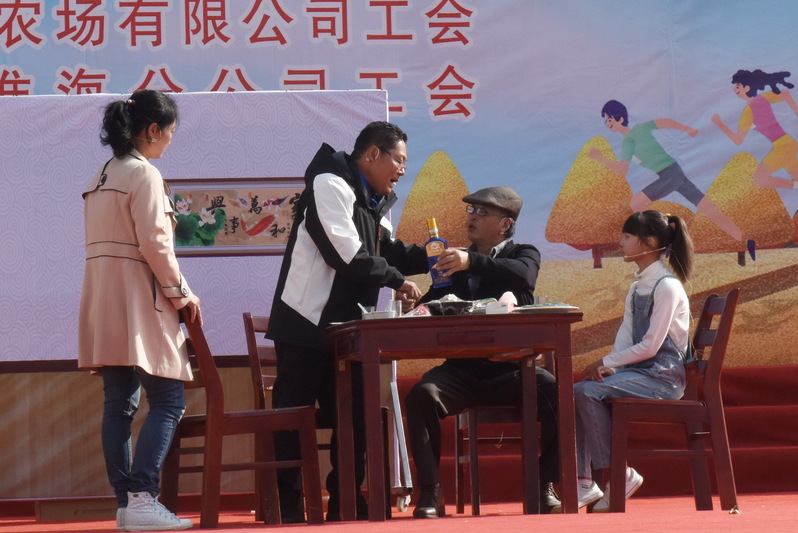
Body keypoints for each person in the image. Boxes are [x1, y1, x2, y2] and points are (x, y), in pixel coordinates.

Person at [266, 121, 429, 522]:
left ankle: (346, 502)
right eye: (399, 160)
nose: (403, 170)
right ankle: (287, 507)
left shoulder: (374, 198)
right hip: (306, 322)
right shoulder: (330, 182)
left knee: (355, 415)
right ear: (372, 154)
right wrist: (398, 281)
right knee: (291, 417)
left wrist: (434, 258)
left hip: (351, 332)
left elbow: (385, 250)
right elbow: (346, 254)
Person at [78, 90, 201, 532]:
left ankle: (126, 506)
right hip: (141, 298)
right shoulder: (145, 174)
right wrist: (183, 295)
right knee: (168, 399)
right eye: (169, 132)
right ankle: (142, 497)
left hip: (103, 298)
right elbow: (155, 244)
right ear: (152, 130)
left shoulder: (101, 173)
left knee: (119, 403)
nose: (169, 140)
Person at [403, 186, 561, 517]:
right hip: (461, 371)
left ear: (504, 224)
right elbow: (434, 299)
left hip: (512, 371)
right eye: (470, 211)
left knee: (557, 394)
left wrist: (470, 261)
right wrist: (413, 307)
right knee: (422, 394)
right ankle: (430, 493)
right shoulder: (455, 259)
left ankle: (545, 484)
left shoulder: (523, 253)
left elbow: (524, 276)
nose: (471, 218)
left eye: (481, 213)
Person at [562, 210, 694, 513]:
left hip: (663, 378)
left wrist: (606, 360)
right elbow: (625, 336)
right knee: (579, 390)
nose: (620, 243)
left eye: (626, 236)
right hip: (640, 373)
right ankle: (584, 480)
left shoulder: (667, 286)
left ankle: (619, 475)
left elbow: (651, 345)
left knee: (586, 391)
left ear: (649, 243)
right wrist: (609, 367)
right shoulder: (637, 287)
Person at [590, 100, 752, 258]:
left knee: (635, 203)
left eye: (609, 119)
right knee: (709, 209)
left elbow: (622, 170)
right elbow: (663, 122)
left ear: (620, 118)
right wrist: (687, 129)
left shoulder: (629, 140)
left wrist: (600, 158)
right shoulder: (639, 130)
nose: (607, 123)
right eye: (606, 120)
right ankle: (744, 240)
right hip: (674, 172)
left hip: (670, 175)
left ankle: (667, 237)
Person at [712, 69, 798, 190]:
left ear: (746, 88)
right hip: (787, 144)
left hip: (783, 147)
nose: (734, 89)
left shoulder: (749, 111)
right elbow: (786, 94)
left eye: (738, 86)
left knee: (759, 179)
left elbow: (738, 140)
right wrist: (795, 110)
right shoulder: (761, 99)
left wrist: (720, 124)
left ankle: (795, 185)